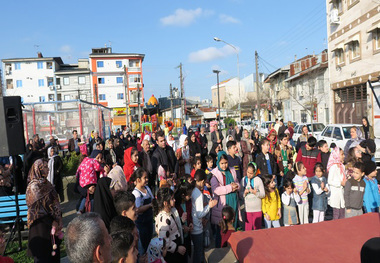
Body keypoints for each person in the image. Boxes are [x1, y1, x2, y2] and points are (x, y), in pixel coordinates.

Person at [26, 158, 62, 262]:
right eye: (45, 167)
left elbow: (55, 202)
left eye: (48, 167)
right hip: (41, 228)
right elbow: (37, 210)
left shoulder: (47, 184)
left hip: (53, 229)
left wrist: (59, 218)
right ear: (38, 169)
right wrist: (52, 222)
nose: (48, 170)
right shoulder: (34, 187)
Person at [210, 151, 240, 248]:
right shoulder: (215, 175)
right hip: (222, 206)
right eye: (222, 163)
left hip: (233, 203)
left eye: (226, 163)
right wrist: (230, 188)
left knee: (232, 229)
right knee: (221, 232)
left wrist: (236, 186)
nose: (224, 165)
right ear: (218, 162)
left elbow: (237, 182)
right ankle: (220, 250)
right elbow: (216, 190)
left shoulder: (232, 170)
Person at [191, 169, 217, 263]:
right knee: (199, 253)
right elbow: (199, 214)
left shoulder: (194, 191)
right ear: (202, 181)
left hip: (195, 225)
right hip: (197, 228)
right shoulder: (198, 194)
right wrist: (209, 206)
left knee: (197, 252)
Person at [154, 187, 186, 262]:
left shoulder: (172, 211)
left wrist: (181, 221)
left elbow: (173, 226)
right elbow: (164, 240)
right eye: (172, 199)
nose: (174, 200)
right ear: (165, 203)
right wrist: (177, 248)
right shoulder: (163, 219)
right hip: (172, 253)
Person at [130, 168, 154, 254]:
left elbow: (152, 199)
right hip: (142, 223)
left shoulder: (147, 188)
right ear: (138, 180)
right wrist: (149, 205)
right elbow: (138, 209)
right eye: (145, 178)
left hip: (149, 220)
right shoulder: (136, 193)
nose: (147, 179)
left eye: (147, 177)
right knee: (144, 245)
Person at [240, 162, 265, 230]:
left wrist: (255, 193)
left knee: (257, 229)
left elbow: (263, 194)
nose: (249, 175)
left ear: (254, 172)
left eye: (251, 173)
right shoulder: (243, 180)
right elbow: (240, 194)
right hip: (248, 209)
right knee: (248, 229)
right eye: (248, 172)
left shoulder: (258, 180)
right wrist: (244, 193)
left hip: (257, 209)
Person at [174, 181, 193, 260]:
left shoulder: (188, 202)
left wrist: (191, 223)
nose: (191, 196)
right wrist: (182, 227)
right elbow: (174, 223)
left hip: (187, 235)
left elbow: (190, 215)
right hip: (179, 237)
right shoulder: (176, 206)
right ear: (183, 195)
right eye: (189, 195)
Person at [327, 147, 346, 220]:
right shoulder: (333, 167)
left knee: (342, 213)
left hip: (341, 193)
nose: (343, 156)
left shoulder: (342, 166)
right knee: (336, 214)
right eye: (342, 154)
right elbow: (330, 181)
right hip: (335, 193)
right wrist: (340, 183)